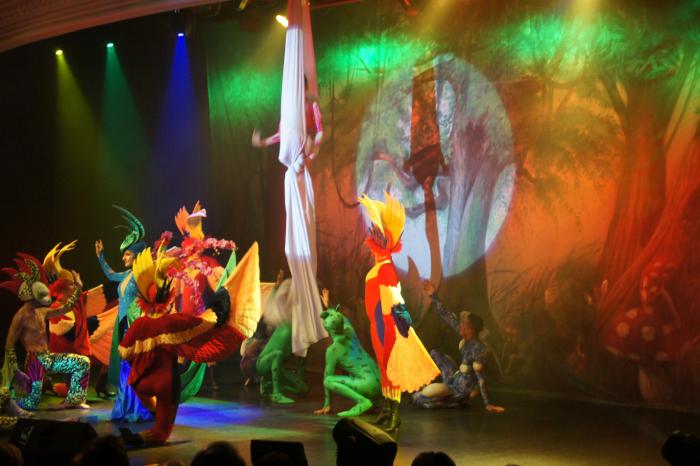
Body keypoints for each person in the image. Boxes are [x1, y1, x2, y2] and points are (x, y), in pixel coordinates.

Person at [118, 244, 262, 447]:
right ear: (167, 296)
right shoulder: (173, 322)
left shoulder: (139, 324)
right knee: (161, 432)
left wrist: (143, 356)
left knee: (152, 402)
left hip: (141, 384)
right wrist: (224, 296)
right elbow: (209, 320)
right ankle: (147, 433)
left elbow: (124, 352)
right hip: (165, 384)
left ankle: (148, 417)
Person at [251, 74, 327, 359]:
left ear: (303, 87)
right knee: (290, 239)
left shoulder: (310, 105)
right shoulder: (289, 112)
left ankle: (308, 289)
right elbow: (282, 135)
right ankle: (299, 276)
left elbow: (320, 130)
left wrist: (313, 150)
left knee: (303, 226)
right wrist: (264, 142)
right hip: (291, 170)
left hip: (301, 165)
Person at [358, 192, 439, 431]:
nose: (372, 250)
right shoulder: (379, 268)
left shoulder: (386, 270)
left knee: (391, 369)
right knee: (384, 368)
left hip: (387, 327)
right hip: (377, 326)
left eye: (375, 246)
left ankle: (394, 416)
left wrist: (402, 322)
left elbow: (394, 299)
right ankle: (387, 411)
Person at [1, 253, 89, 410]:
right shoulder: (20, 316)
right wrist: (15, 370)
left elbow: (66, 307)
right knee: (31, 403)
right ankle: (8, 401)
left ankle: (74, 400)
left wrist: (78, 288)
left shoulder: (42, 312)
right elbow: (9, 344)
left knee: (82, 363)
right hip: (34, 362)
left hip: (47, 358)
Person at [96, 205, 153, 422]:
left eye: (127, 254)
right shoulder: (127, 275)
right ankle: (123, 406)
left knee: (133, 366)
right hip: (122, 324)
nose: (124, 257)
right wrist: (101, 257)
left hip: (134, 325)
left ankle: (137, 407)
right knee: (124, 366)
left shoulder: (141, 275)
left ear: (137, 255)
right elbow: (111, 275)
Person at [413, 280, 505, 413]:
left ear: (471, 329)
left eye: (464, 325)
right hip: (454, 379)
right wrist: (434, 295)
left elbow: (481, 378)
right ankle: (437, 392)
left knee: (421, 397)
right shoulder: (465, 336)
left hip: (460, 389)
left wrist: (487, 404)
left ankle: (453, 400)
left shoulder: (478, 349)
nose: (460, 325)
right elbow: (446, 315)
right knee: (434, 354)